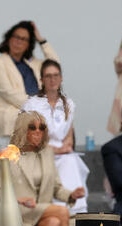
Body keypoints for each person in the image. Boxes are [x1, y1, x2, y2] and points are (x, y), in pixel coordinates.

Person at [22, 59, 89, 215]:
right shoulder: (32, 105)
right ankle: (59, 209)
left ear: (61, 78)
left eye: (56, 75)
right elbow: (31, 138)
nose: (52, 80)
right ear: (42, 80)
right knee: (61, 161)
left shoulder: (69, 104)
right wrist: (55, 150)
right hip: (39, 152)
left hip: (62, 152)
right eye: (48, 76)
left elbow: (69, 134)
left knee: (71, 160)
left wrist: (65, 148)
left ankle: (75, 210)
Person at [0, 21, 58, 141]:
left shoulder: (33, 64)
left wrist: (41, 40)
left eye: (24, 39)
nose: (18, 41)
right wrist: (39, 107)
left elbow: (55, 67)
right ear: (9, 39)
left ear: (28, 45)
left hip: (36, 116)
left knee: (61, 119)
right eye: (16, 37)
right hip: (10, 116)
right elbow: (9, 94)